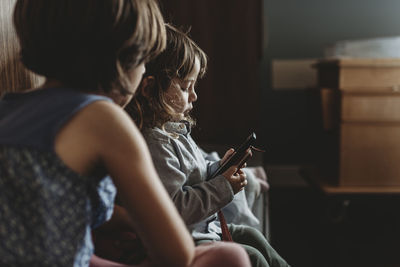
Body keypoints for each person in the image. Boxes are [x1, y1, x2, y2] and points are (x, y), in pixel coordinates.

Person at [0, 1, 251, 266]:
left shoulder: (8, 109)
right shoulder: (106, 120)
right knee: (229, 256)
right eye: (144, 60)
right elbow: (176, 255)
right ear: (120, 60)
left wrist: (129, 220)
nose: (145, 72)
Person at [126, 24, 290, 267]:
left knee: (253, 236)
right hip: (184, 239)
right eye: (184, 87)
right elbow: (174, 209)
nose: (193, 96)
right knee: (252, 257)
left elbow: (194, 177)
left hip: (203, 229)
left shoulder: (175, 131)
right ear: (149, 88)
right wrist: (222, 187)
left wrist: (217, 169)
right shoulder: (154, 145)